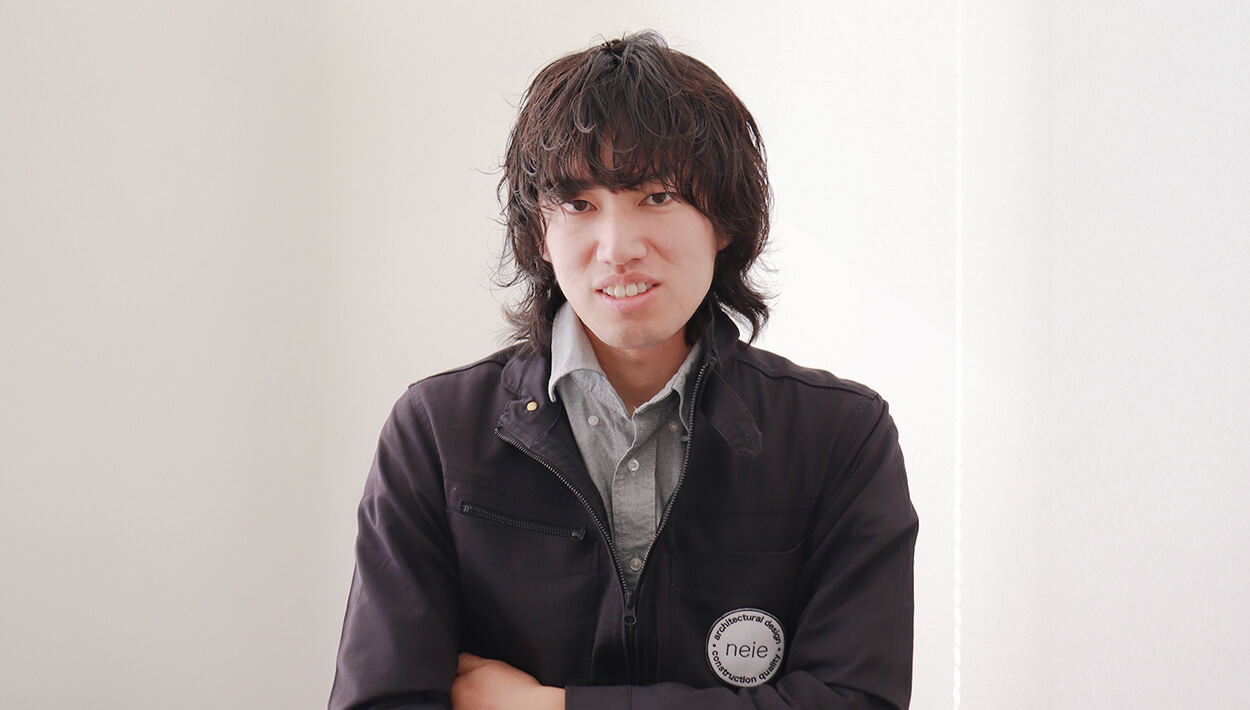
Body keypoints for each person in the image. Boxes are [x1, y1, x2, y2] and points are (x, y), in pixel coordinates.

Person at [329, 31, 918, 710]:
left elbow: (855, 700)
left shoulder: (840, 437)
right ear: (540, 233)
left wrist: (550, 708)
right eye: (578, 205)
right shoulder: (436, 432)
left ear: (724, 219)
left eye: (657, 196)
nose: (617, 248)